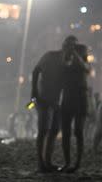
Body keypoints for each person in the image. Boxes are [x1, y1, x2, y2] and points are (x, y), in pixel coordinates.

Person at [32, 35, 77, 171]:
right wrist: (34, 91)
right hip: (43, 97)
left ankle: (47, 161)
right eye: (69, 46)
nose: (71, 49)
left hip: (56, 100)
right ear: (64, 46)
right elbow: (36, 70)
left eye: (73, 47)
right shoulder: (50, 56)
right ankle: (41, 163)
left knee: (54, 130)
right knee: (43, 130)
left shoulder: (69, 63)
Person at [60, 43, 91, 172]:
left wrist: (75, 54)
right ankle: (67, 162)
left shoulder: (85, 65)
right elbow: (64, 64)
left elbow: (85, 67)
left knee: (78, 132)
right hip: (68, 99)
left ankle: (77, 163)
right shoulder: (68, 64)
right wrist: (69, 53)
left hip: (80, 99)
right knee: (66, 133)